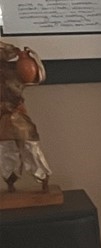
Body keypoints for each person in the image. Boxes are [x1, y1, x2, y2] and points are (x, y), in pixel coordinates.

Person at [0, 40, 51, 192]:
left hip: (17, 115)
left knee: (31, 147)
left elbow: (33, 76)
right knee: (6, 150)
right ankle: (10, 182)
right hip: (3, 119)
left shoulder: (13, 70)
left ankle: (43, 180)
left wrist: (24, 56)